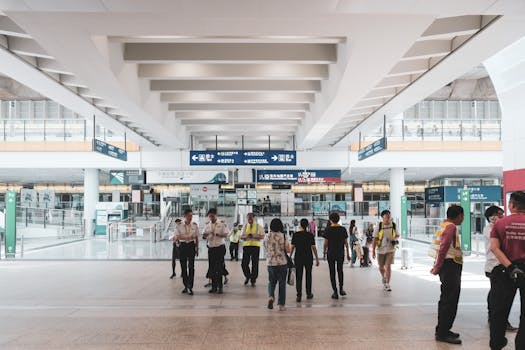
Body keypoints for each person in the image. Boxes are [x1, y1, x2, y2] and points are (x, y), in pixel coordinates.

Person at [489, 191, 525, 350]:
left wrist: (510, 266)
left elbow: (495, 248)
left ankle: (496, 343)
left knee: (500, 311)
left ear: (512, 205)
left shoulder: (500, 224)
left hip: (506, 271)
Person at [430, 205, 464, 345]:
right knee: (450, 299)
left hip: (447, 265)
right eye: (462, 216)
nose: (463, 218)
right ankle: (443, 333)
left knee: (447, 298)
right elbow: (443, 247)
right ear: (459, 215)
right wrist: (437, 266)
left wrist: (437, 265)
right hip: (450, 266)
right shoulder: (451, 227)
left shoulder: (444, 225)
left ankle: (443, 329)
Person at [483, 206, 518, 332]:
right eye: (499, 214)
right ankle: (497, 320)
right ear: (492, 217)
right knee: (498, 295)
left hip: (500, 265)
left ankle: (494, 318)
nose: (503, 216)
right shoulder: (489, 229)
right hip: (494, 266)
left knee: (495, 292)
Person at [264, 218, 291, 311]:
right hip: (282, 263)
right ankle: (281, 305)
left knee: (271, 282)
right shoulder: (283, 236)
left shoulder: (267, 236)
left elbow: (266, 247)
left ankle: (271, 297)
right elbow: (288, 250)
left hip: (271, 263)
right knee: (282, 283)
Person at [291, 218, 320, 302]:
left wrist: (289, 257)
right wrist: (317, 259)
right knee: (308, 275)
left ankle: (299, 295)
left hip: (298, 258)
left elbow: (292, 247)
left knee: (298, 276)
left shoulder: (296, 235)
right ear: (307, 225)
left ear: (300, 225)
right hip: (308, 257)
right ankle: (309, 293)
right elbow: (314, 247)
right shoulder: (310, 235)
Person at [323, 212, 350, 299]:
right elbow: (346, 243)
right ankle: (341, 289)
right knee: (340, 271)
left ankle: (335, 292)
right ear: (338, 219)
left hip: (331, 253)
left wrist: (324, 252)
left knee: (332, 272)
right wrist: (348, 254)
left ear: (330, 220)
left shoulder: (328, 229)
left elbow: (325, 243)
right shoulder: (343, 229)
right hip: (340, 253)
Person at [202, 208, 228, 294]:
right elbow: (203, 236)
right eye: (210, 216)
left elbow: (226, 234)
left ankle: (220, 287)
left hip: (220, 247)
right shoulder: (207, 225)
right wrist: (205, 235)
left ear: (216, 215)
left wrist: (218, 234)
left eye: (212, 216)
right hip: (211, 248)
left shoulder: (222, 224)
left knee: (219, 268)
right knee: (212, 268)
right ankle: (214, 287)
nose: (211, 218)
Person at [372, 210, 399, 292]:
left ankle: (387, 283)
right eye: (386, 216)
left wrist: (394, 238)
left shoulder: (393, 225)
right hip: (380, 249)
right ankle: (383, 276)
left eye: (389, 216)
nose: (388, 218)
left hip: (390, 249)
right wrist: (373, 251)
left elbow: (397, 234)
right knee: (381, 266)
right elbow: (375, 239)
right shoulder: (379, 226)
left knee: (388, 266)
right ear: (382, 217)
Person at [174, 210, 198, 295]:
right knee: (183, 267)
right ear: (185, 216)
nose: (190, 217)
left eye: (191, 216)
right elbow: (177, 237)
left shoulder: (194, 225)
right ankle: (185, 285)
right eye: (188, 216)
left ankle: (190, 286)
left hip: (191, 246)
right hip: (183, 246)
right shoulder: (179, 226)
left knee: (191, 267)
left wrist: (197, 248)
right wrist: (186, 237)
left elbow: (196, 237)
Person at [240, 213, 264, 287]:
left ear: (254, 218)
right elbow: (241, 236)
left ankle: (253, 279)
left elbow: (262, 236)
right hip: (246, 246)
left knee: (255, 264)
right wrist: (246, 236)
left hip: (255, 246)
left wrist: (255, 236)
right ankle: (248, 276)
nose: (249, 219)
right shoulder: (245, 226)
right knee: (244, 263)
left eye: (251, 218)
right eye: (248, 218)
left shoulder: (258, 226)